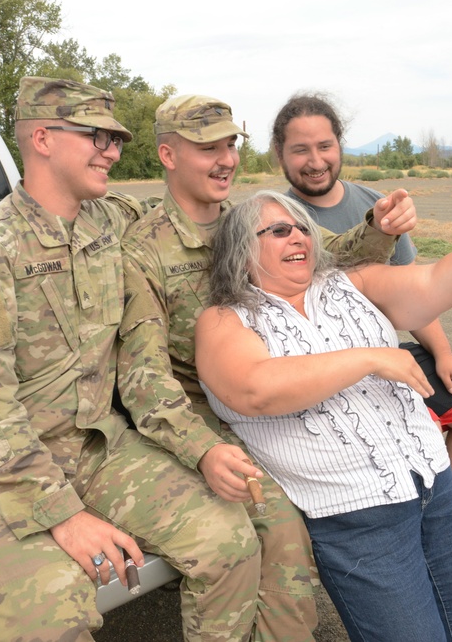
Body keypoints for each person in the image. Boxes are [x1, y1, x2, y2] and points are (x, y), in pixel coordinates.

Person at [0, 77, 262, 642]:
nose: (114, 151)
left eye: (118, 139)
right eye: (97, 136)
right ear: (44, 139)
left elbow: (191, 221)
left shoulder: (110, 223)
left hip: (98, 448)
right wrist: (63, 516)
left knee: (230, 543)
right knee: (52, 616)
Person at [194, 190, 452, 642]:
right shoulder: (224, 321)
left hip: (437, 488)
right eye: (278, 230)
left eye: (302, 228)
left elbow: (435, 283)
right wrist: (369, 358)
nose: (298, 237)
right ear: (241, 249)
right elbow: (255, 388)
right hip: (359, 523)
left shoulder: (350, 281)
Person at [118, 94, 417, 642]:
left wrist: (380, 226)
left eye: (231, 144)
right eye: (208, 147)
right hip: (206, 414)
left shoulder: (253, 218)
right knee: (278, 532)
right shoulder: (144, 252)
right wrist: (203, 450)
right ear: (167, 154)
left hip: (275, 395)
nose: (226, 159)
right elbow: (143, 376)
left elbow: (334, 255)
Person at [271, 94, 452, 530]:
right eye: (300, 149)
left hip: (390, 351)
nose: (315, 160)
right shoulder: (277, 217)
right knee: (402, 434)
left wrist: (446, 355)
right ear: (279, 153)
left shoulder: (376, 204)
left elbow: (412, 294)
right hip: (326, 362)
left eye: (325, 146)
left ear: (340, 146)